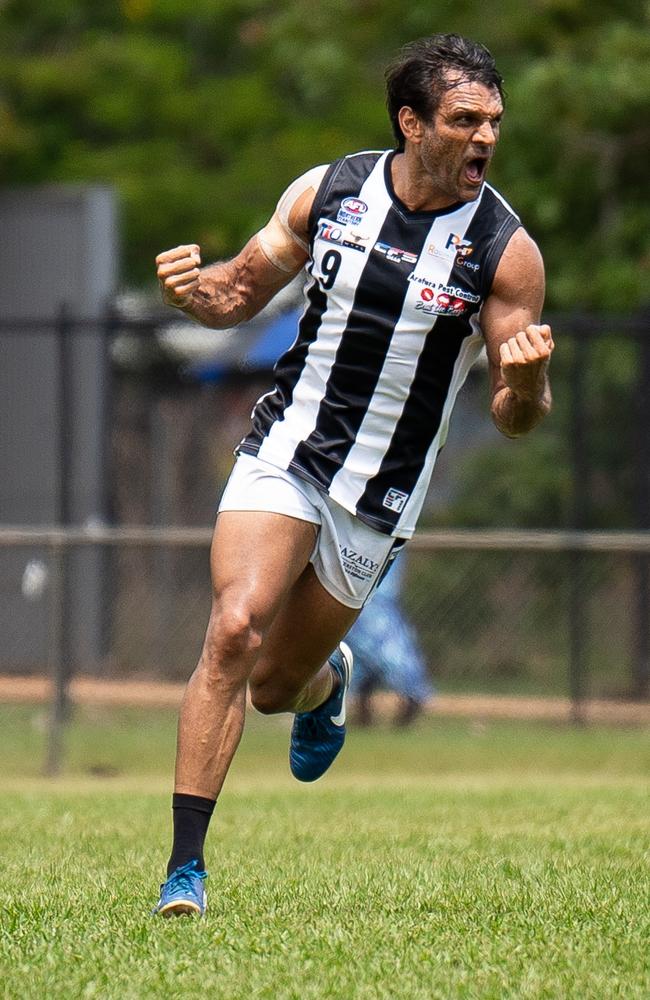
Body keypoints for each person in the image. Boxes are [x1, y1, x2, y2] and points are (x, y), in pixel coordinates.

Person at [152, 32, 554, 916]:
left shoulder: (503, 250)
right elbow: (237, 293)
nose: (484, 137)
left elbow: (515, 421)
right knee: (233, 628)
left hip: (378, 495)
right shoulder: (330, 191)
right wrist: (197, 296)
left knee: (272, 688)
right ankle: (185, 870)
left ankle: (326, 680)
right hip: (286, 451)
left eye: (493, 120)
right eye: (463, 119)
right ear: (412, 124)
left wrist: (524, 381)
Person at [346, 556, 435, 726]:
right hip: (360, 596)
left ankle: (410, 703)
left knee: (390, 656)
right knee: (361, 660)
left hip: (377, 601)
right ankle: (363, 717)